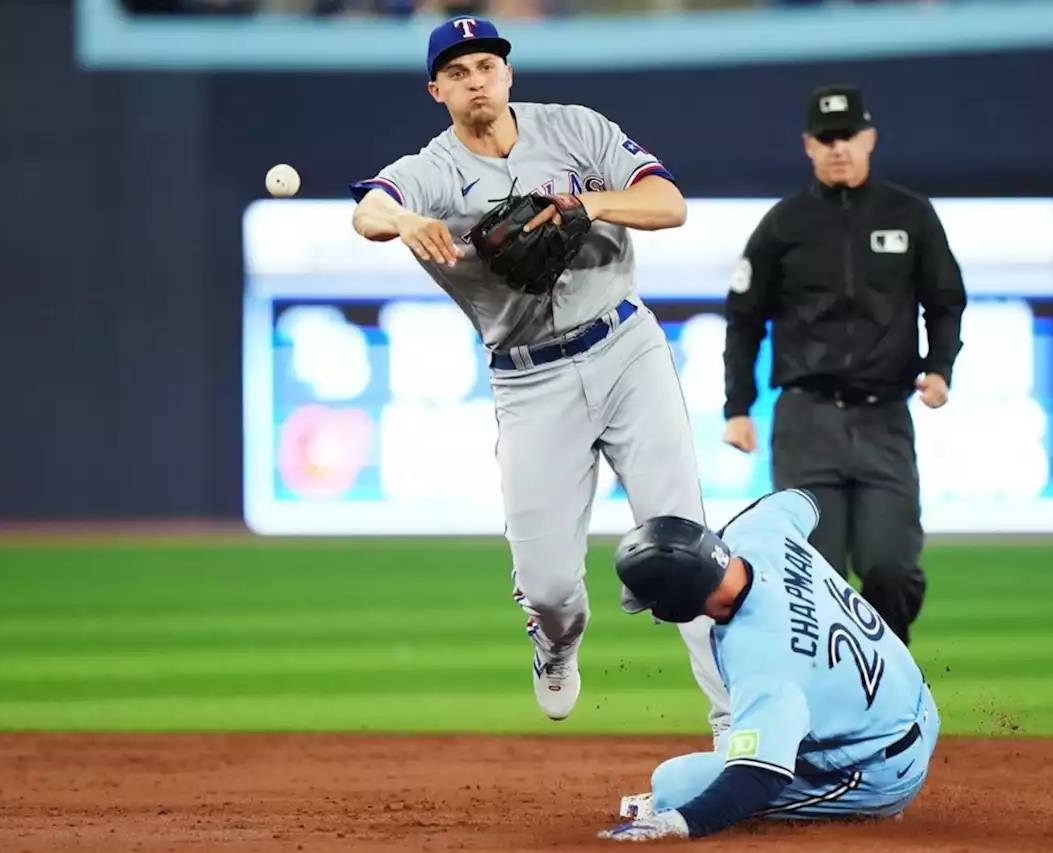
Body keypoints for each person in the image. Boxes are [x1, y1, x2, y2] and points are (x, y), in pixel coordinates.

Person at [347, 16, 729, 739]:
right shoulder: (432, 169)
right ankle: (555, 643)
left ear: (508, 74)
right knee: (551, 586)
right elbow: (369, 207)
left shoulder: (576, 131)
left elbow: (668, 204)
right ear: (437, 90)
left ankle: (736, 722)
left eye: (487, 65)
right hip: (529, 381)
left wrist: (590, 204)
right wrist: (399, 221)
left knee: (685, 541)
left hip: (625, 349)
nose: (476, 80)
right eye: (457, 73)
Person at [721, 83, 967, 646]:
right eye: (826, 138)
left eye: (848, 136)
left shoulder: (910, 215)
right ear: (809, 145)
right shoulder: (784, 224)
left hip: (884, 419)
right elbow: (744, 319)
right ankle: (833, 714)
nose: (838, 148)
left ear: (870, 138)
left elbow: (945, 301)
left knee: (891, 568)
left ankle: (892, 693)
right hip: (807, 422)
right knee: (815, 578)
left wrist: (940, 367)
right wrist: (738, 407)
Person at [598, 489, 940, 842]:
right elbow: (802, 499)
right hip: (915, 708)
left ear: (678, 603)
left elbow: (759, 776)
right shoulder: (759, 530)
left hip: (881, 770)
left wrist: (677, 822)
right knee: (752, 732)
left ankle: (870, 805)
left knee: (677, 786)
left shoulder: (761, 659)